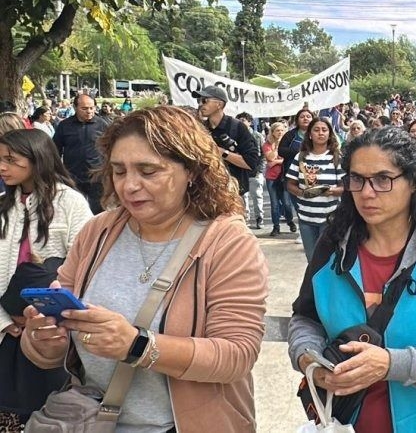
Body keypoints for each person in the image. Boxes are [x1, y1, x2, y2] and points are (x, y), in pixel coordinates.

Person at [21, 106, 269, 431]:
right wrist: (43, 340)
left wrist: (138, 345)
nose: (129, 186)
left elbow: (236, 354)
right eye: (119, 171)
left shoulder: (227, 241)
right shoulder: (98, 231)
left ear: (192, 170)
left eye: (148, 171)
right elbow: (53, 344)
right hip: (91, 421)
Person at [288, 126, 416, 432]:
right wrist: (309, 361)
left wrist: (391, 364)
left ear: (413, 183)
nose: (367, 193)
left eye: (383, 179)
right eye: (357, 179)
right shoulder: (332, 245)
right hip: (337, 422)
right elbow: (305, 319)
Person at [0, 130, 92, 427]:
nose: (2, 167)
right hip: (6, 325)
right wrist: (4, 318)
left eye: (11, 160)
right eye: (0, 159)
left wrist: (49, 315)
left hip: (49, 327)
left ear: (37, 159)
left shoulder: (70, 202)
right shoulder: (4, 203)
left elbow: (86, 263)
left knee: (46, 405)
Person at [287, 118, 344, 261]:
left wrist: (331, 190)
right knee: (311, 260)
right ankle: (313, 284)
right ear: (310, 134)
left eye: (324, 130)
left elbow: (346, 187)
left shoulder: (336, 157)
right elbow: (290, 184)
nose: (320, 133)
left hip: (329, 218)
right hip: (306, 217)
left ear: (330, 134)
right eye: (316, 130)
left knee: (327, 260)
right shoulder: (300, 157)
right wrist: (302, 193)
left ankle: (328, 284)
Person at [192, 86, 260, 201]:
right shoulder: (199, 128)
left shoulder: (237, 127)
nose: (200, 104)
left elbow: (251, 162)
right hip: (205, 193)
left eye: (204, 100)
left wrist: (222, 153)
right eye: (199, 100)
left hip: (232, 193)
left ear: (219, 104)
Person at [52, 93, 110, 214]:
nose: (89, 111)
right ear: (75, 108)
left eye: (92, 108)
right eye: (84, 108)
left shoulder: (102, 125)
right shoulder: (64, 126)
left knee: (98, 210)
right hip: (73, 176)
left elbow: (110, 148)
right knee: (74, 210)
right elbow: (55, 150)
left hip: (96, 175)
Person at [277, 108, 314, 235]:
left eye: (308, 116)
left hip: (312, 174)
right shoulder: (290, 135)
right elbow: (281, 151)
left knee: (309, 202)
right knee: (293, 204)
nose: (305, 119)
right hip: (292, 174)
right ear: (297, 120)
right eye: (302, 116)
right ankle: (302, 229)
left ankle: (310, 228)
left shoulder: (317, 134)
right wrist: (299, 153)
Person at [264, 121, 295, 237]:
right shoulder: (267, 144)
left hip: (284, 176)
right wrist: (277, 146)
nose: (280, 133)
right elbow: (270, 158)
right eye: (277, 131)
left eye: (282, 130)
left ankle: (290, 221)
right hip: (271, 178)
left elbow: (288, 158)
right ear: (272, 132)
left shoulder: (288, 143)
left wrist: (277, 161)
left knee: (287, 203)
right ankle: (276, 226)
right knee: (274, 203)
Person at [236, 112, 265, 230]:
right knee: (243, 198)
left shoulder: (257, 136)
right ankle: (246, 219)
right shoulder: (235, 135)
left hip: (255, 172)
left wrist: (259, 170)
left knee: (257, 196)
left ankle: (259, 218)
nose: (241, 123)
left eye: (243, 120)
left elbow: (263, 154)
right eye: (239, 121)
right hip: (241, 173)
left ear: (250, 122)